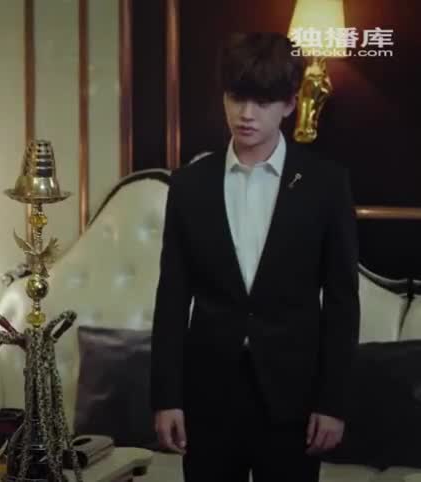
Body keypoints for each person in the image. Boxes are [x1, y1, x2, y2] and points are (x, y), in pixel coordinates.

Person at [150, 32, 360, 482]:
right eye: (237, 97)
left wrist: (333, 402)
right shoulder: (188, 186)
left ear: (289, 104)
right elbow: (172, 298)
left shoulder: (325, 184)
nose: (246, 114)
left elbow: (342, 302)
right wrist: (166, 398)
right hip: (208, 399)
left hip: (293, 401)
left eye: (262, 102)